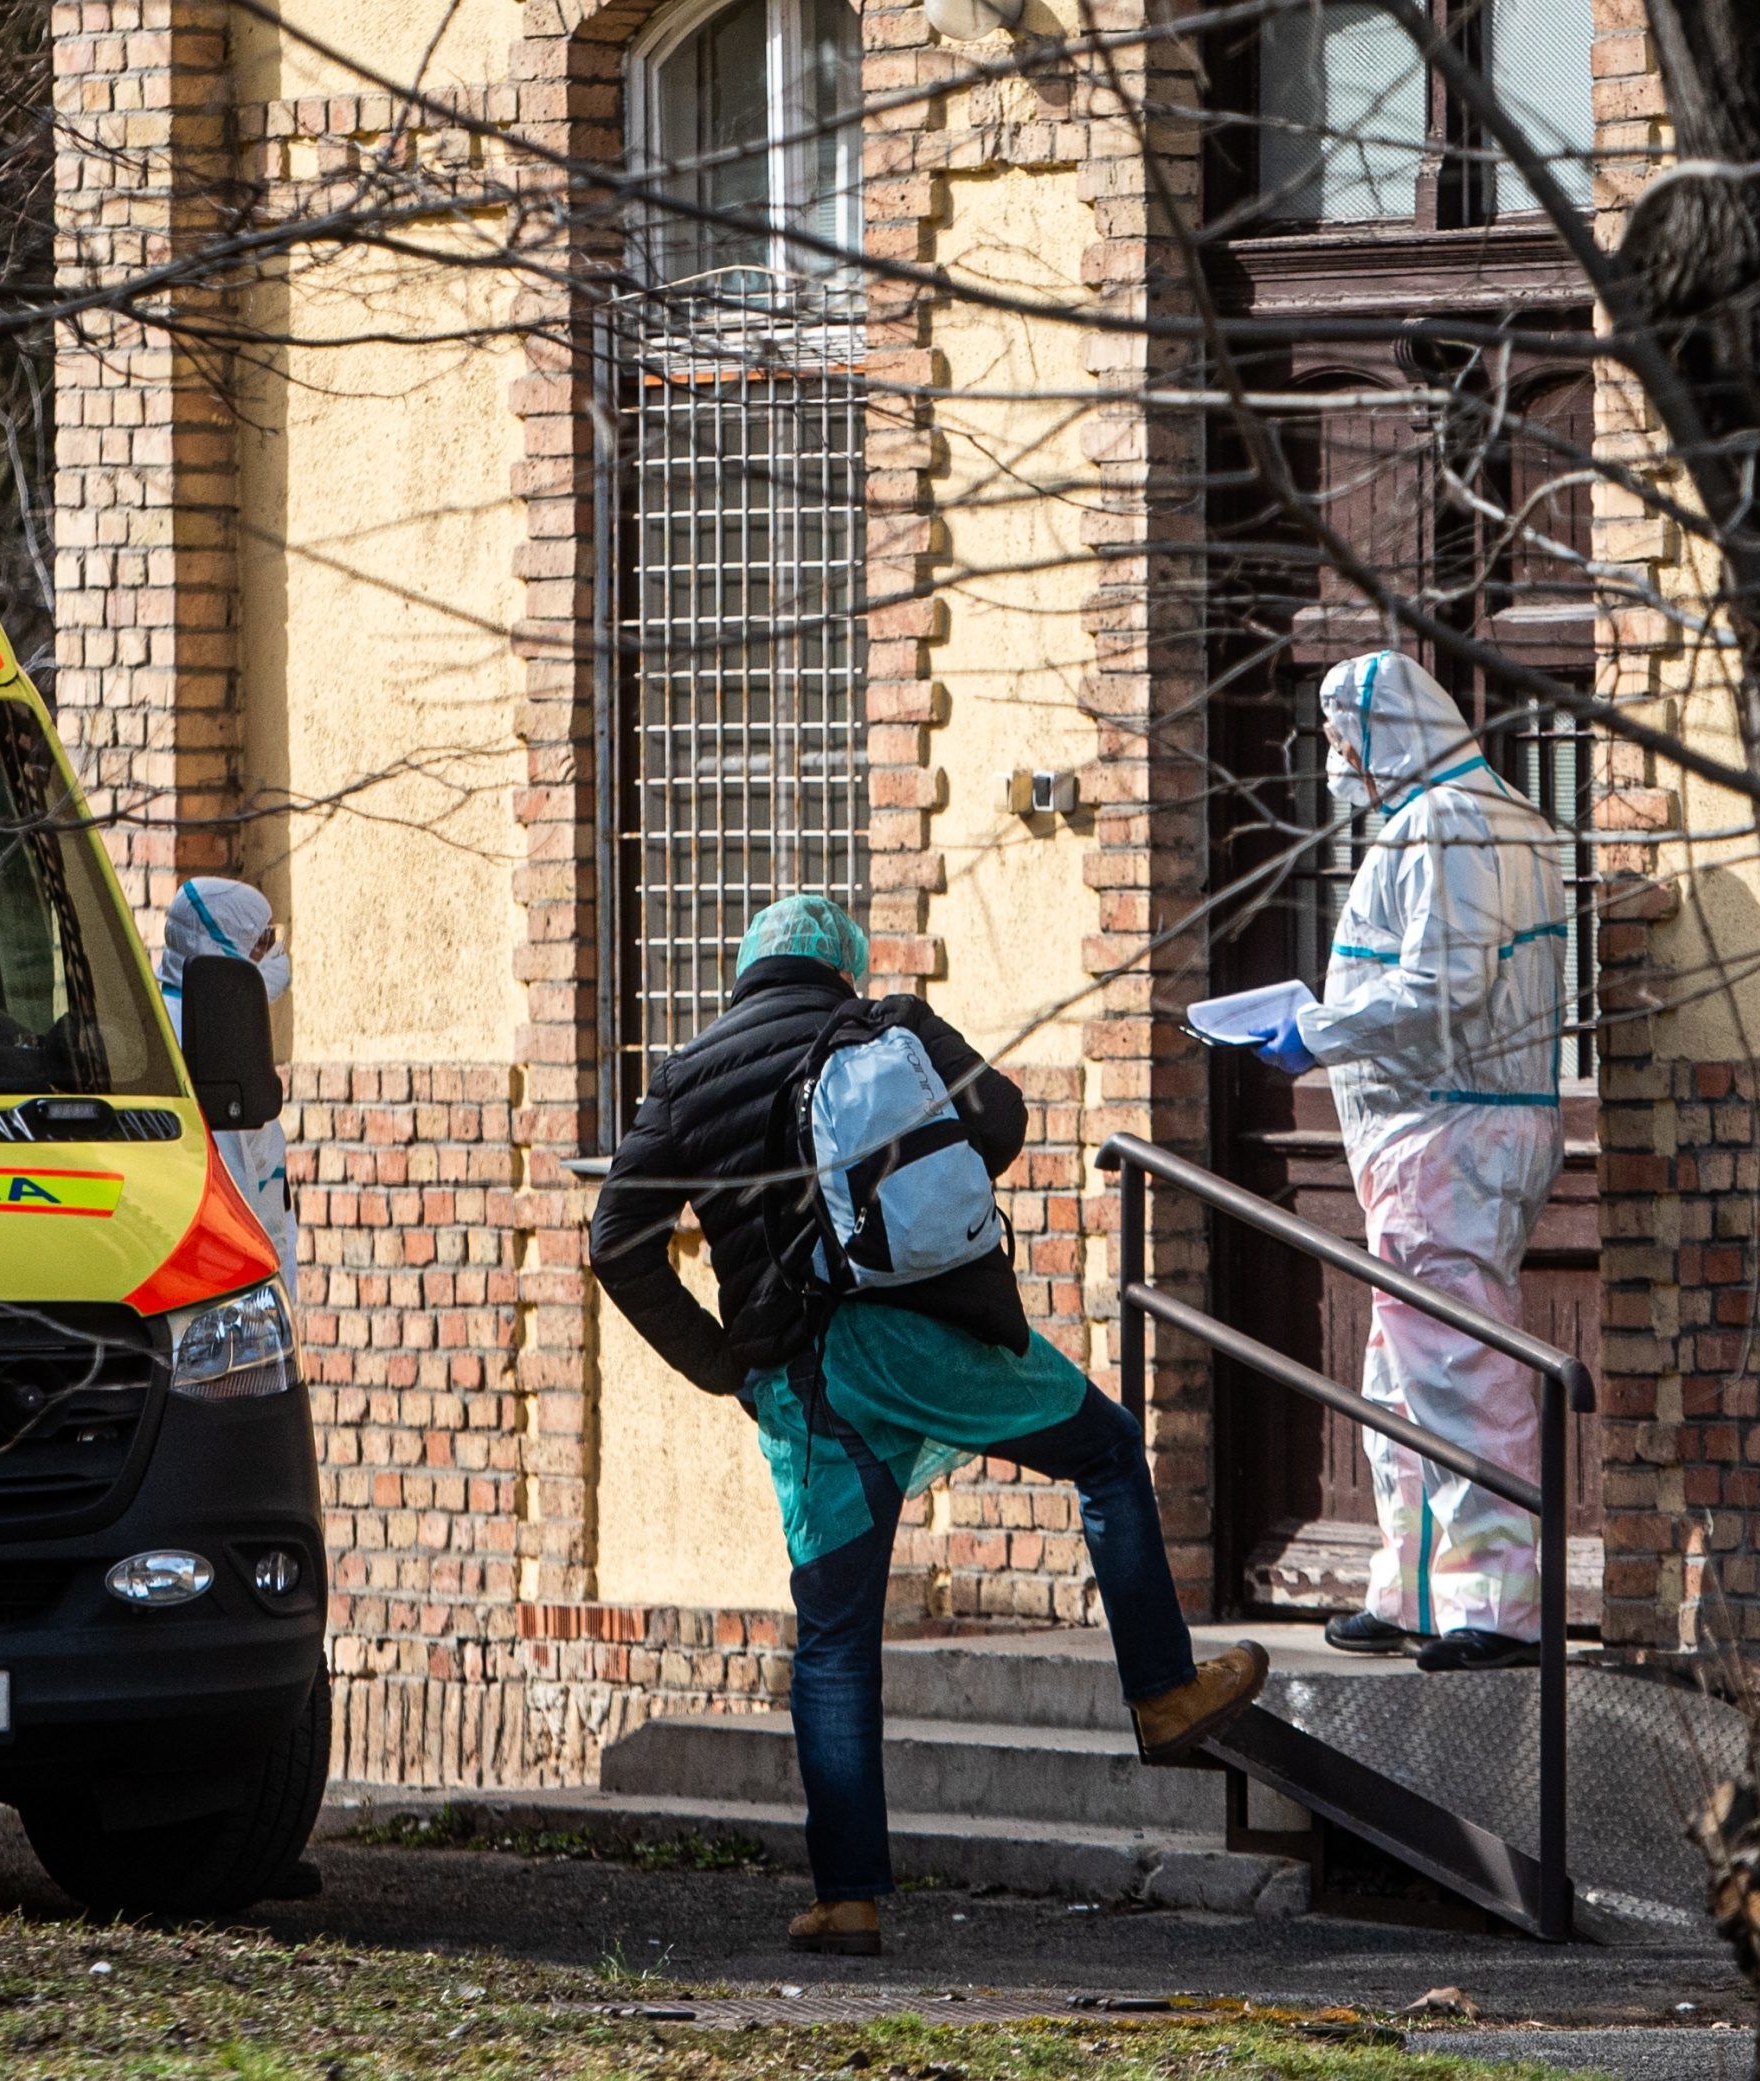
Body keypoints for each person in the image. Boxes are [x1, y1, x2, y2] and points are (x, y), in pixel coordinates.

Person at [591, 893, 1264, 1958]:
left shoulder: (682, 1078)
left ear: (745, 968)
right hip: (938, 1334)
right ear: (841, 964)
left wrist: (722, 1361)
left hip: (807, 1378)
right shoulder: (891, 1022)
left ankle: (847, 1895)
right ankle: (1164, 1691)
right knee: (1102, 1451)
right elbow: (999, 1123)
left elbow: (616, 1244)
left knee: (835, 1635)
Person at [1251, 651, 1569, 1675]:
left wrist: (1319, 1030)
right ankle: (1416, 1583)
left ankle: (1498, 1603)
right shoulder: (1496, 812)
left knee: (1456, 1366)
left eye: (1343, 738)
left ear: (1383, 731)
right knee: (1403, 1371)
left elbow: (1444, 987)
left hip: (1447, 1138)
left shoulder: (1445, 823)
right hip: (1448, 1134)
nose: (1337, 759)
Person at [157, 875, 297, 1269]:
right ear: (221, 945)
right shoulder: (206, 1036)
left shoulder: (175, 1013)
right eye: (261, 943)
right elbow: (231, 1185)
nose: (271, 954)